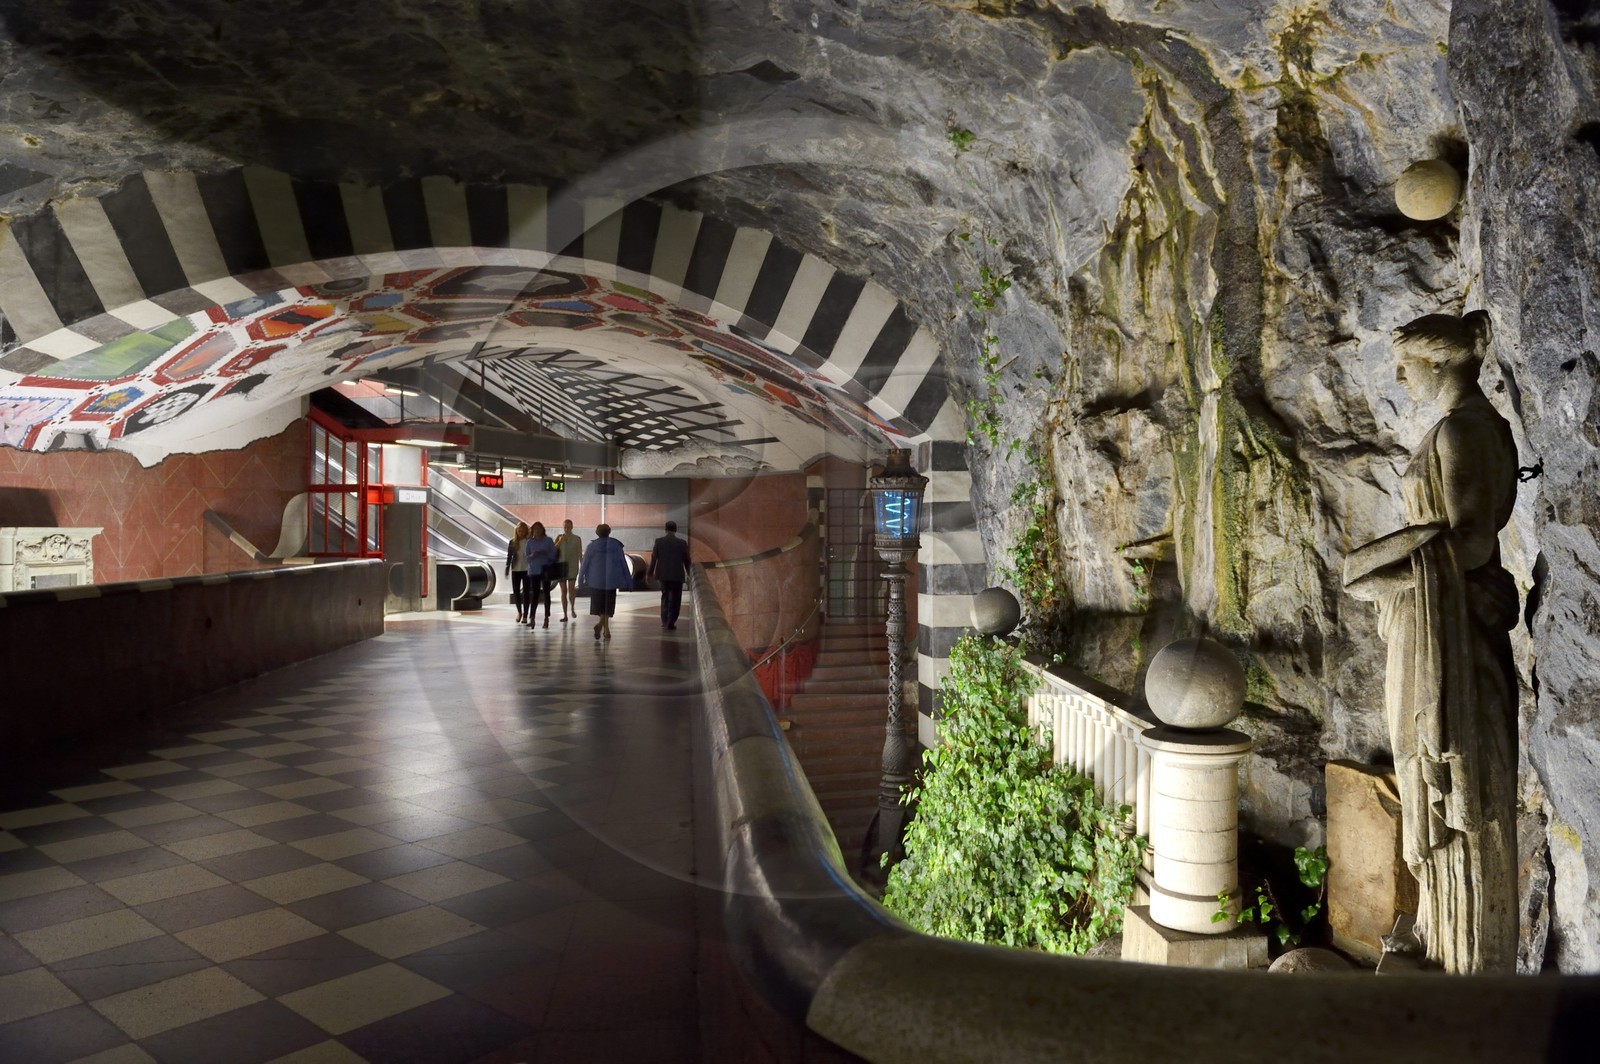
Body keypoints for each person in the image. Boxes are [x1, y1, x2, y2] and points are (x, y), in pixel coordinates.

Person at [1343, 310, 1518, 974]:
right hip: (1430, 618)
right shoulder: (1460, 426)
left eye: (1406, 365)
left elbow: (1470, 541)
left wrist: (1378, 571)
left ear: (1440, 362)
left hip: (1450, 629)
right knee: (1421, 772)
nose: (1399, 377)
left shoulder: (1464, 429)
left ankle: (1467, 955)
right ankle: (1441, 933)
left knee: (1450, 771)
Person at [578, 522, 632, 640]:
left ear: (597, 533)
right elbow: (623, 564)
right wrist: (629, 581)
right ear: (609, 532)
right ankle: (604, 628)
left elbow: (584, 564)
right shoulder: (616, 546)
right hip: (611, 580)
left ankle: (603, 627)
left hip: (595, 581)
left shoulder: (591, 547)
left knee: (599, 606)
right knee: (608, 606)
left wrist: (580, 579)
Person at [647, 520, 691, 629]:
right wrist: (690, 573)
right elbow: (687, 560)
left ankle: (664, 620)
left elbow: (653, 559)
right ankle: (671, 621)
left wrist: (649, 574)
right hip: (677, 575)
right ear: (675, 530)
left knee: (665, 597)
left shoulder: (659, 542)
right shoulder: (682, 543)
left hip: (663, 574)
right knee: (676, 599)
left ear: (665, 529)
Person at [523, 521, 558, 629]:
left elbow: (554, 555)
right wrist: (532, 555)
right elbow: (526, 558)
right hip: (534, 571)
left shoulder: (548, 541)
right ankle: (532, 618)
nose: (537, 531)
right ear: (532, 531)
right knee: (535, 594)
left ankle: (546, 618)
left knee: (546, 593)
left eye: (539, 528)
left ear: (543, 529)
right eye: (535, 529)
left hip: (545, 569)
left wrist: (546, 554)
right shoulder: (530, 542)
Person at [554, 519, 583, 624]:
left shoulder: (577, 539)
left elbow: (579, 553)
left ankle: (572, 608)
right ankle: (565, 614)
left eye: (568, 527)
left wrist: (582, 566)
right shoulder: (559, 537)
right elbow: (553, 550)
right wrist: (560, 541)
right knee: (563, 591)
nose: (566, 529)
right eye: (565, 527)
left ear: (572, 527)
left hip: (572, 566)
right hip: (561, 566)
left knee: (571, 589)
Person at [505, 522, 531, 622]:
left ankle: (525, 615)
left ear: (526, 531)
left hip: (527, 569)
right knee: (516, 592)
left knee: (526, 593)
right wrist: (507, 568)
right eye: (519, 531)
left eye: (523, 531)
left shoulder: (529, 541)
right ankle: (519, 612)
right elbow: (509, 556)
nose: (521, 533)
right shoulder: (513, 542)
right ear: (516, 531)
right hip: (516, 569)